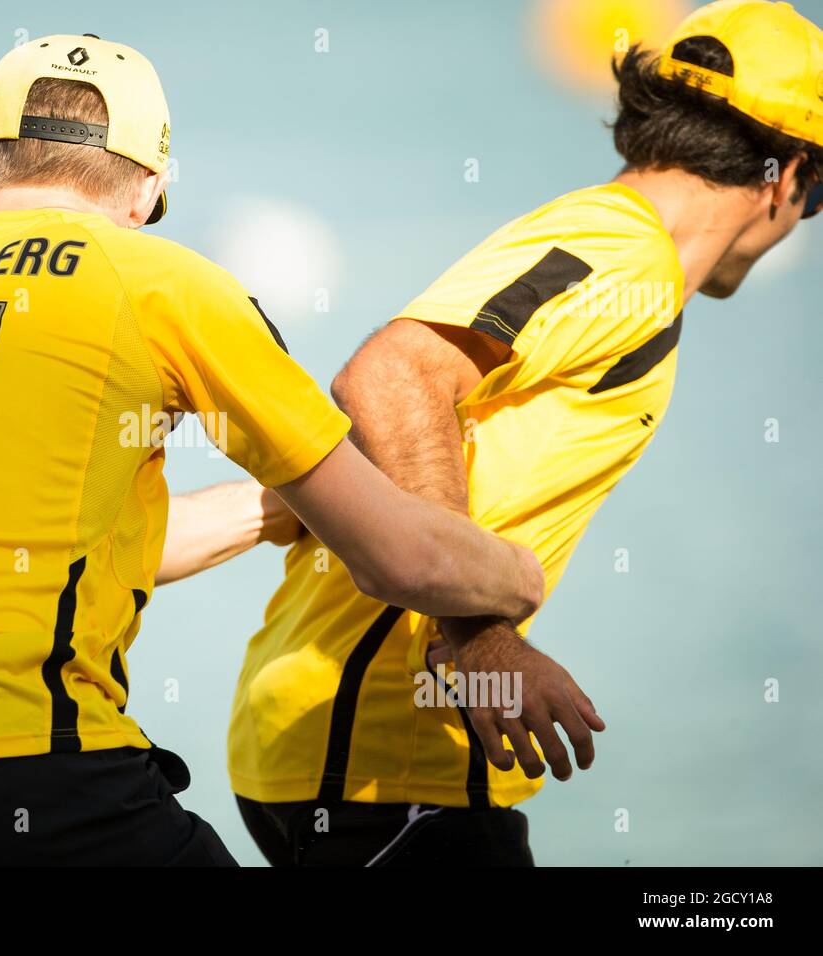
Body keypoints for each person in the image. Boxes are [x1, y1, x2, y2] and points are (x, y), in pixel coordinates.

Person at [0, 33, 545, 866]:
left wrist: (272, 511)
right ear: (149, 189)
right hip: (27, 776)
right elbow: (399, 560)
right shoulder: (156, 280)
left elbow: (34, 550)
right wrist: (520, 578)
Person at [180, 0, 821, 866]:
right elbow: (391, 375)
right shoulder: (624, 253)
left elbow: (397, 415)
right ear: (785, 178)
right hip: (390, 757)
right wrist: (481, 635)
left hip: (340, 745)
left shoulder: (614, 249)